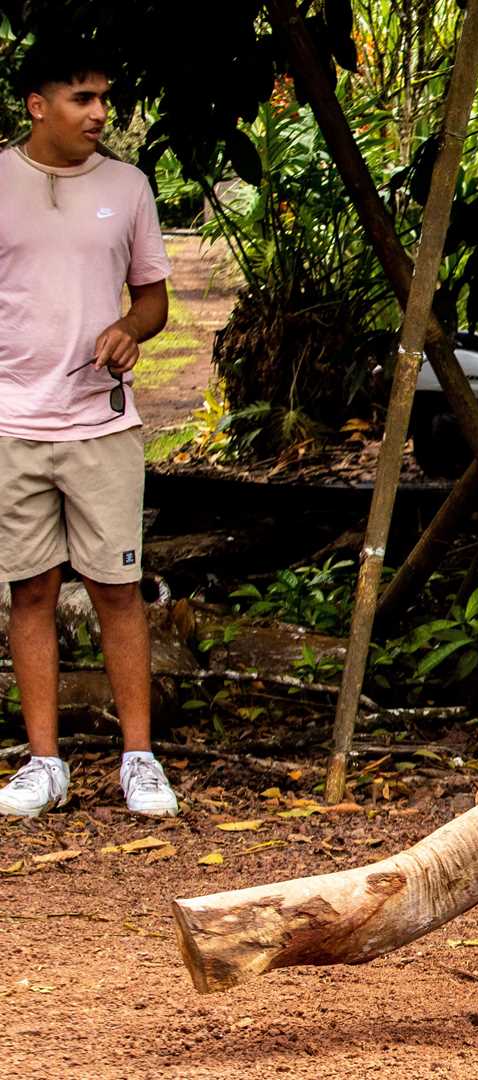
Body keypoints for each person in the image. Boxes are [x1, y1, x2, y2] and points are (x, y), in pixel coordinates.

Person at [0, 42, 177, 818]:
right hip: (10, 423)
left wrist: (129, 330)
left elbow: (154, 298)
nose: (100, 112)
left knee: (117, 588)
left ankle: (140, 759)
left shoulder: (127, 187)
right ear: (38, 106)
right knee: (31, 591)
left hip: (101, 424)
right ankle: (45, 764)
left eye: (104, 97)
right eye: (82, 98)